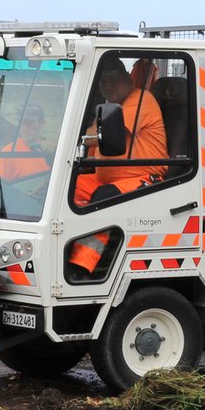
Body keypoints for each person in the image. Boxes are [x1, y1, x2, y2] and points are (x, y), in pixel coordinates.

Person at [69, 59, 167, 274]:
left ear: (126, 79)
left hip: (144, 178)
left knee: (102, 198)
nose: (108, 86)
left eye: (113, 80)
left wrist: (71, 138)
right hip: (107, 177)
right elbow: (93, 151)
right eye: (103, 82)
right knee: (66, 189)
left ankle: (83, 267)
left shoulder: (140, 100)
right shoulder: (110, 108)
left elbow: (99, 136)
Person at [0, 103, 51, 179]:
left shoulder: (52, 150)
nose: (24, 128)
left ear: (42, 123)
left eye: (30, 123)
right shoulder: (8, 152)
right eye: (22, 123)